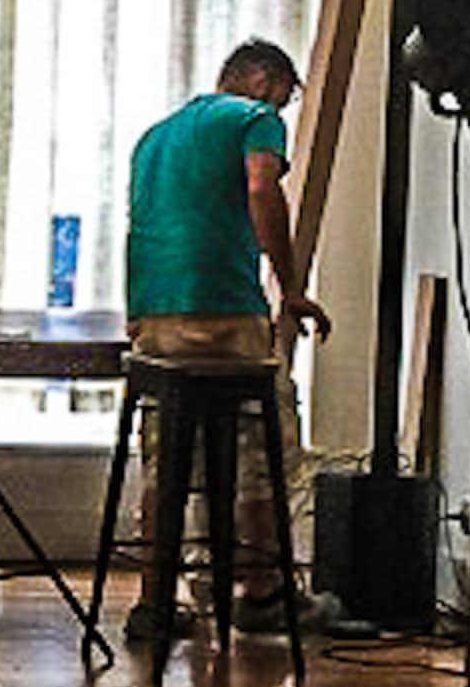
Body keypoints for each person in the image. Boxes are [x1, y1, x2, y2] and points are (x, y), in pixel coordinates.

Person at [118, 37, 332, 641]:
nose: (282, 116)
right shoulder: (255, 118)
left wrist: (137, 311)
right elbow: (263, 189)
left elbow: (140, 224)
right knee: (263, 452)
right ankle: (259, 594)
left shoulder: (155, 136)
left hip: (156, 316)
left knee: (166, 457)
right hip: (224, 309)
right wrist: (290, 287)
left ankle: (156, 602)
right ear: (264, 81)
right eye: (285, 99)